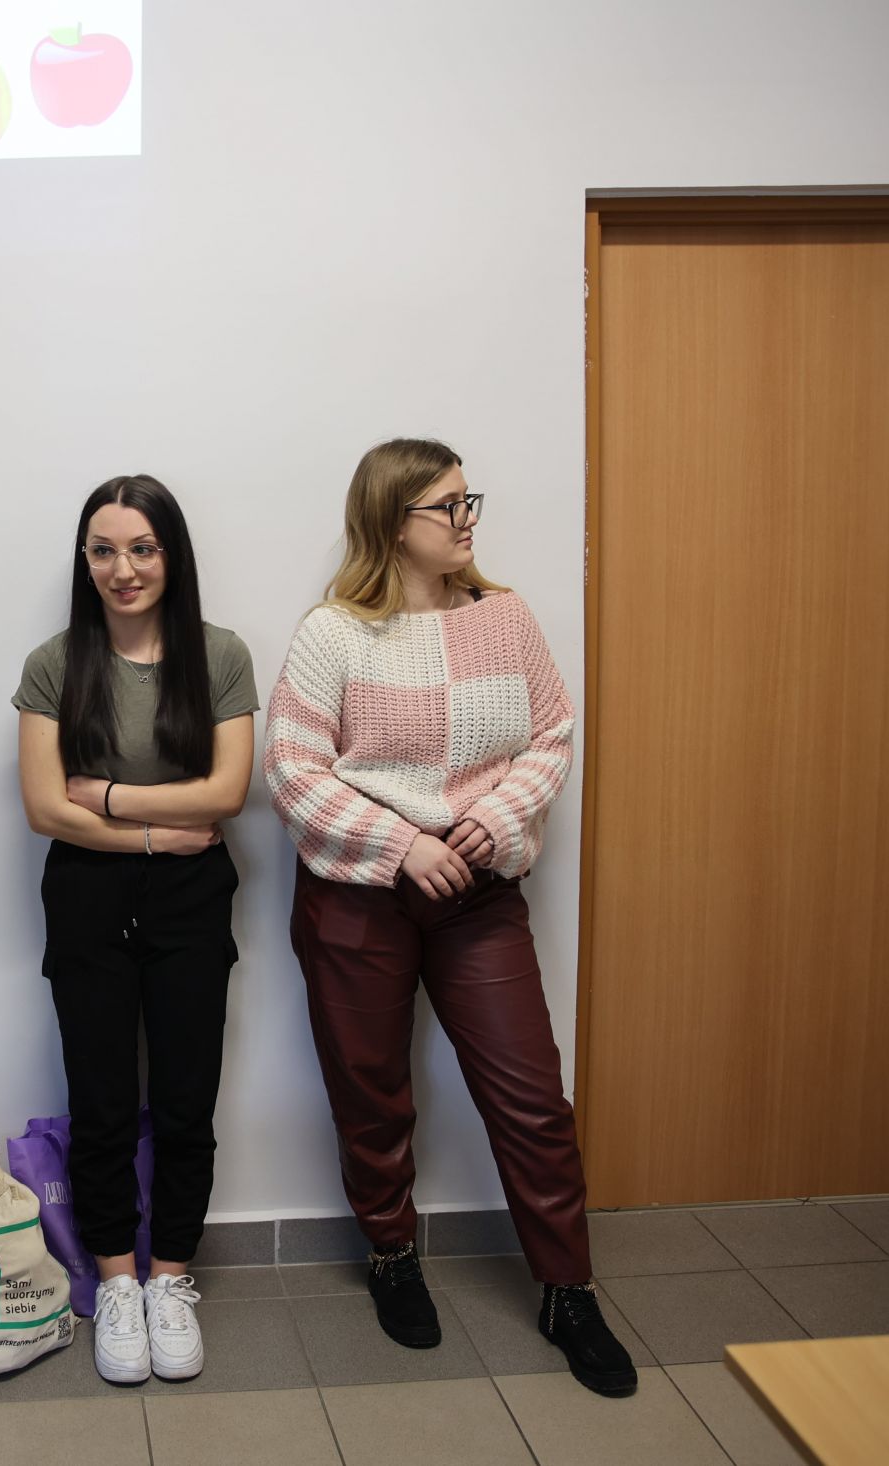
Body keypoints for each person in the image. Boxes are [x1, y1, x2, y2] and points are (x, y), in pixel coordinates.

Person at [263, 438, 637, 1397]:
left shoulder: (505, 620)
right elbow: (293, 770)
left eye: (471, 502)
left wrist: (497, 820)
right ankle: (393, 1255)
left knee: (530, 1097)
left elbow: (551, 734)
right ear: (394, 523)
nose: (468, 521)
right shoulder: (334, 633)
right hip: (359, 894)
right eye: (448, 506)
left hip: (478, 891)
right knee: (371, 1093)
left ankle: (567, 1289)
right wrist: (401, 845)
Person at [13, 475, 257, 1385]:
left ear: (171, 555)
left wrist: (109, 797)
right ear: (84, 561)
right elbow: (45, 808)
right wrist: (159, 830)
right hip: (86, 896)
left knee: (188, 1096)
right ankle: (117, 1279)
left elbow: (227, 794)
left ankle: (170, 1278)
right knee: (103, 1100)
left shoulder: (219, 654)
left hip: (192, 898)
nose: (124, 569)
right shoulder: (54, 663)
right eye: (104, 550)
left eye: (142, 548)